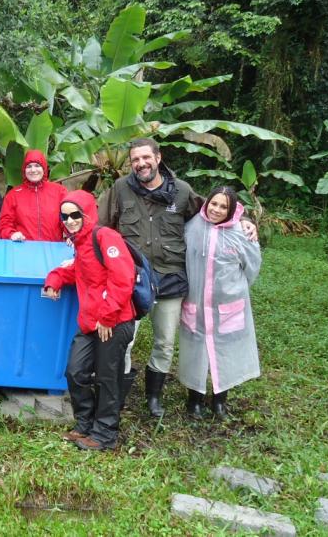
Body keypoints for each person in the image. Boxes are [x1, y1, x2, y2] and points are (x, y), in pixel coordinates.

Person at [98, 137, 257, 417]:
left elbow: (215, 212)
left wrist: (244, 221)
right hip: (131, 281)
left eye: (146, 157)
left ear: (158, 158)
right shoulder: (120, 189)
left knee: (165, 342)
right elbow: (101, 226)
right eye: (135, 159)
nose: (141, 164)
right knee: (125, 341)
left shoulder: (181, 191)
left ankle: (153, 397)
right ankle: (116, 395)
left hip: (169, 280)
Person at [44, 190, 137, 451]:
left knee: (107, 378)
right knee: (75, 371)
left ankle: (104, 434)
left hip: (113, 322)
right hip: (90, 322)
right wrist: (54, 280)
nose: (70, 221)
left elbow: (123, 278)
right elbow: (76, 270)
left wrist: (107, 317)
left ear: (87, 213)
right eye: (64, 217)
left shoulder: (105, 236)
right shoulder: (81, 243)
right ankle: (85, 424)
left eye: (75, 215)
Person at [177, 187, 261, 419]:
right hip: (195, 302)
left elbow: (252, 267)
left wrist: (232, 289)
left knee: (226, 352)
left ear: (231, 210)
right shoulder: (192, 226)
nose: (216, 210)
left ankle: (220, 400)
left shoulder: (241, 232)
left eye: (224, 207)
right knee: (195, 350)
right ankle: (194, 400)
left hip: (227, 305)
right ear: (207, 203)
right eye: (214, 203)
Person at [0, 149, 67, 242]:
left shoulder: (59, 191)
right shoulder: (13, 195)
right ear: (24, 170)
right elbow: (4, 224)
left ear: (44, 168)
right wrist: (11, 234)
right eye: (29, 166)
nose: (33, 170)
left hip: (53, 247)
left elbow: (69, 219)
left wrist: (71, 237)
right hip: (23, 247)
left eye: (37, 166)